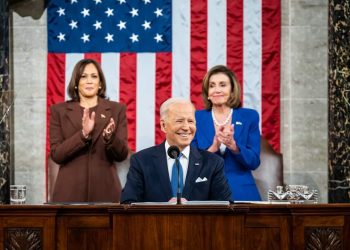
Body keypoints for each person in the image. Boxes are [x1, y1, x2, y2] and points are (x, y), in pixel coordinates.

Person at [121, 97, 232, 203]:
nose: (186, 127)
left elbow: (226, 205)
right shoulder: (141, 161)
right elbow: (128, 203)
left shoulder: (213, 163)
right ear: (163, 126)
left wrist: (192, 208)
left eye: (190, 121)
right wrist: (163, 208)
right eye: (179, 121)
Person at [50, 59, 129, 202]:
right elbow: (57, 155)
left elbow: (122, 155)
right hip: (69, 193)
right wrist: (83, 135)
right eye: (83, 76)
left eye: (94, 76)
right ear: (76, 82)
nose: (89, 81)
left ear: (100, 83)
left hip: (106, 192)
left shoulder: (117, 110)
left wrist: (110, 138)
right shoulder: (59, 111)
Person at [192, 65, 261, 201]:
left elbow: (254, 162)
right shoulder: (195, 118)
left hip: (241, 192)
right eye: (212, 86)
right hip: (205, 191)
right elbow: (191, 164)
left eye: (222, 85)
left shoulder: (249, 117)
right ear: (207, 92)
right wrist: (213, 148)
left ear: (232, 90)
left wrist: (233, 146)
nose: (217, 90)